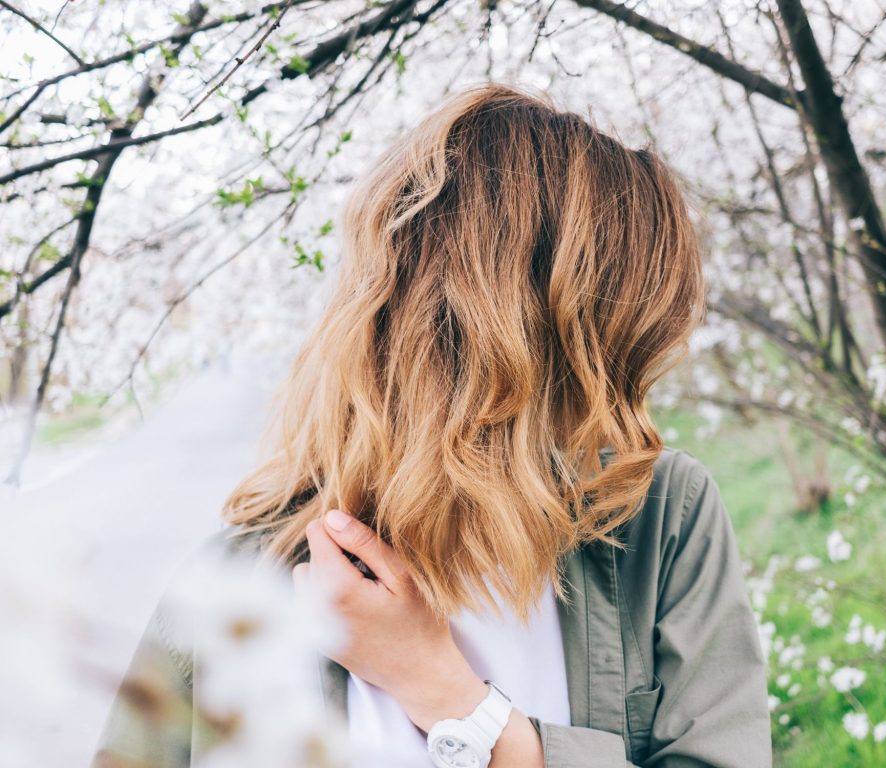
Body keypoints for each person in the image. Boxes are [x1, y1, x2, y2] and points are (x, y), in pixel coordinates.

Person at [91, 82, 772, 768]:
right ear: (551, 330)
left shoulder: (660, 519)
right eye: (626, 334)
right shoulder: (235, 584)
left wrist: (442, 691)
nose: (636, 379)